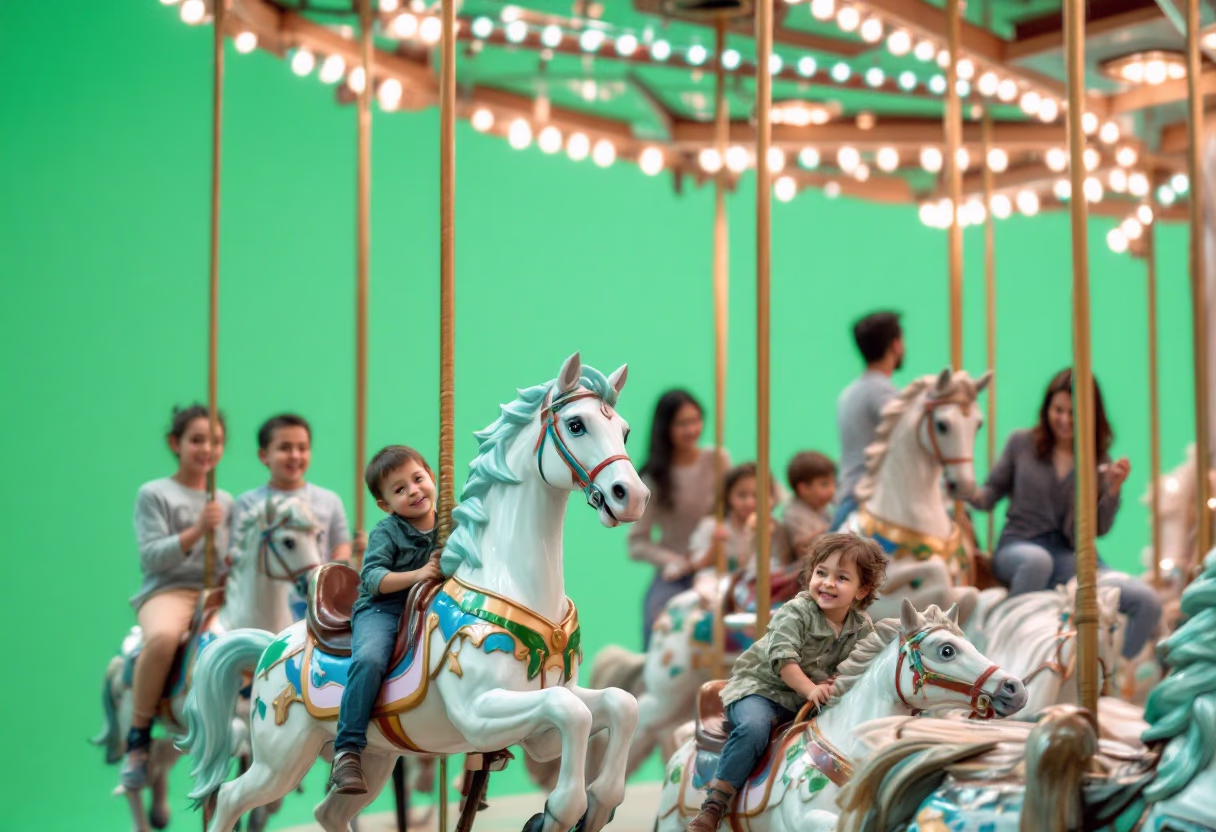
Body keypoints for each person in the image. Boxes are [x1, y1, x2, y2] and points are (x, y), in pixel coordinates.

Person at [685, 533, 887, 832]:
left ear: (862, 590)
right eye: (821, 573)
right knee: (754, 728)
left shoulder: (861, 627)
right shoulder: (796, 612)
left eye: (842, 578)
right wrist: (812, 689)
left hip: (806, 700)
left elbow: (859, 668)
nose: (828, 583)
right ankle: (716, 802)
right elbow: (784, 661)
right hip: (761, 690)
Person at [969, 368, 1161, 659]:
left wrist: (1112, 491)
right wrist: (963, 488)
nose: (1064, 419)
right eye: (1058, 410)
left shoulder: (1096, 460)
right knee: (1037, 562)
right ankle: (1001, 646)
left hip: (1070, 559)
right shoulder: (1022, 444)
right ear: (1047, 408)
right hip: (1020, 547)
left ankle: (1114, 672)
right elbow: (988, 495)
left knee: (1148, 602)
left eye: (1074, 413)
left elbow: (1099, 528)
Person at [123, 405, 233, 788]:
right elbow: (152, 555)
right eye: (197, 440)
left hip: (215, 594)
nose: (207, 449)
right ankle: (138, 735)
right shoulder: (155, 494)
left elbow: (228, 557)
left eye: (215, 441)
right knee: (163, 638)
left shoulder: (224, 500)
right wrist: (197, 530)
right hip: (169, 590)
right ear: (176, 443)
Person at [329, 445, 444, 794]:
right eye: (399, 489)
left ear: (432, 477)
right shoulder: (388, 531)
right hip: (385, 608)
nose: (414, 491)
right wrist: (419, 574)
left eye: (418, 479)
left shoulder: (452, 521)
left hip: (435, 607)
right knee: (369, 659)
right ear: (385, 504)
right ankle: (347, 748)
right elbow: (372, 578)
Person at [628, 390, 729, 647]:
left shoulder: (717, 460)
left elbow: (735, 504)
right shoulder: (654, 478)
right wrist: (673, 560)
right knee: (657, 624)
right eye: (682, 423)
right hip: (676, 573)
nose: (691, 429)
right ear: (666, 429)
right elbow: (637, 543)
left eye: (695, 420)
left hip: (718, 564)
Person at [832, 312, 904, 531]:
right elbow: (904, 442)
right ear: (895, 345)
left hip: (850, 493)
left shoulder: (852, 391)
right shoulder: (882, 392)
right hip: (871, 496)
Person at [686, 462, 791, 579]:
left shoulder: (775, 529)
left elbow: (783, 565)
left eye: (757, 496)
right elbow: (696, 565)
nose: (749, 502)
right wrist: (715, 546)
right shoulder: (712, 525)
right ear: (728, 496)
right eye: (742, 495)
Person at [781, 451, 837, 551]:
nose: (832, 490)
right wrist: (834, 528)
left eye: (833, 483)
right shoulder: (794, 514)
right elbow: (803, 549)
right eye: (824, 484)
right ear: (803, 489)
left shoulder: (821, 508)